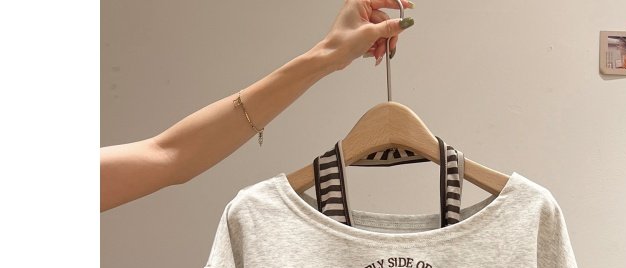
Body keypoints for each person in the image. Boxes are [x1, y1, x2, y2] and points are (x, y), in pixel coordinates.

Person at [100, 0, 415, 212]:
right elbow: (170, 157)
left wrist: (327, 55)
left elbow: (170, 156)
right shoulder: (257, 221)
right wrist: (326, 56)